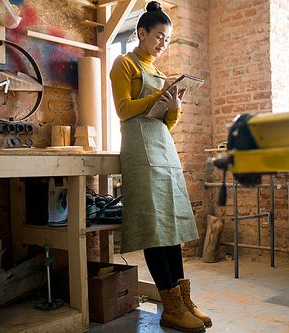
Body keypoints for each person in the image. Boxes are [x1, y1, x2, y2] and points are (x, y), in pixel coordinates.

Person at [110, 2, 211, 332]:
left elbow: (166, 123)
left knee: (173, 227)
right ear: (142, 33)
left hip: (163, 150)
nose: (163, 43)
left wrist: (174, 105)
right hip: (140, 152)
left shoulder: (158, 72)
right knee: (156, 227)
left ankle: (183, 301)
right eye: (159, 36)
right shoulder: (124, 64)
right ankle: (170, 307)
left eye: (167, 38)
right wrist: (157, 98)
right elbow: (124, 110)